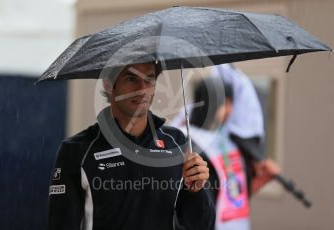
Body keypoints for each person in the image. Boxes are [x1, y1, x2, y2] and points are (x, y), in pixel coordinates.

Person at [47, 62, 215, 230]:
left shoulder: (177, 142)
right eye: (131, 78)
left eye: (149, 79)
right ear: (108, 85)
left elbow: (201, 226)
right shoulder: (77, 150)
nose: (142, 89)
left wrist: (196, 191)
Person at [172, 64, 279, 230]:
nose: (229, 110)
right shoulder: (187, 144)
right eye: (224, 103)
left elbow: (232, 198)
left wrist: (260, 180)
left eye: (230, 103)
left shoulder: (226, 142)